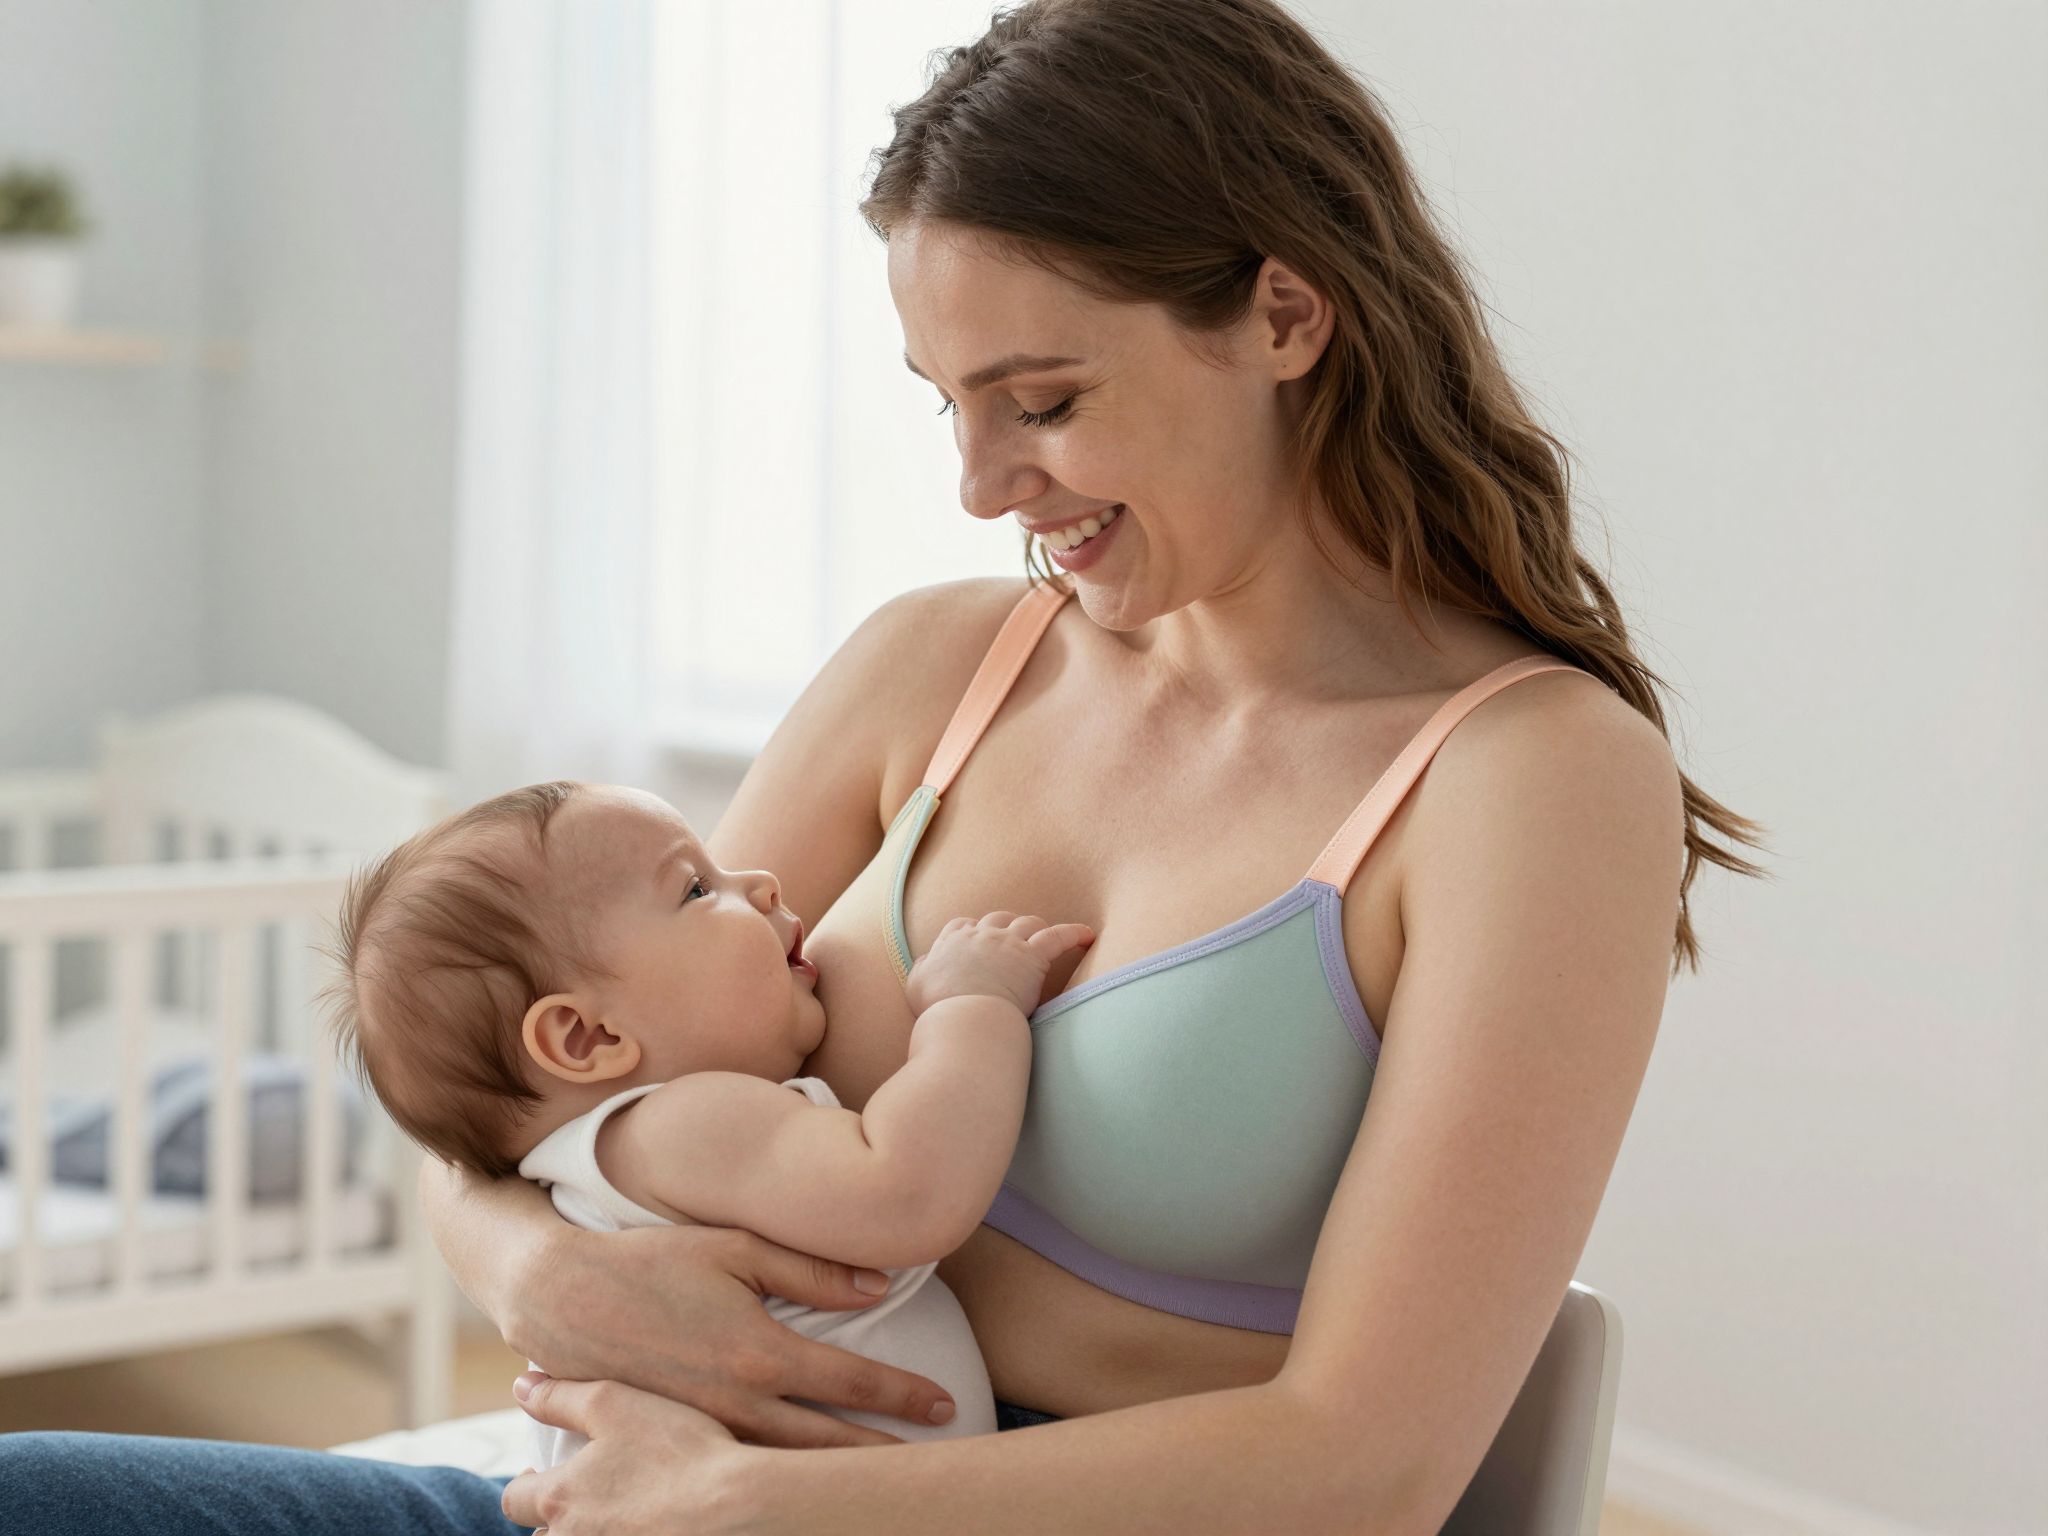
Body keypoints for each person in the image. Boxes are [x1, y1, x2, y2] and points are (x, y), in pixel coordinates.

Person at [0, 0, 1767, 1530]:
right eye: (948, 405)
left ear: (1285, 317)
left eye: (1045, 400)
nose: (984, 484)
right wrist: (544, 1272)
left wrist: (769, 1502)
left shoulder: (1526, 782)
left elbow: (1365, 1469)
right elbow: (524, 1104)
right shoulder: (941, 662)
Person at [319, 778, 1098, 1464]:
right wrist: (973, 1007)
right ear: (589, 1039)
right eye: (696, 888)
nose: (758, 880)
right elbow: (911, 1192)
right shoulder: (680, 1127)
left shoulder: (595, 1166)